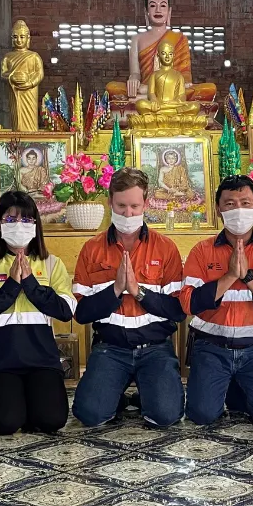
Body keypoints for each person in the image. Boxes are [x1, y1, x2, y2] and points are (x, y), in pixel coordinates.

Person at [72, 168, 186, 426]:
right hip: (110, 348)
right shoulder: (92, 249)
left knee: (166, 416)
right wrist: (115, 290)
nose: (128, 213)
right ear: (109, 201)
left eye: (135, 206)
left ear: (146, 203)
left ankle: (147, 393)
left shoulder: (165, 248)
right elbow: (81, 313)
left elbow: (177, 311)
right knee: (90, 415)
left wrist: (138, 292)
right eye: (121, 206)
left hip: (155, 348)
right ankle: (119, 396)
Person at [0, 191, 76, 434]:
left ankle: (30, 402)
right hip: (0, 362)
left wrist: (31, 284)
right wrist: (11, 286)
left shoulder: (51, 263)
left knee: (51, 420)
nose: (19, 226)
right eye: (10, 220)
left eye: (26, 219)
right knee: (6, 423)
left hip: (41, 360)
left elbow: (66, 310)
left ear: (35, 224)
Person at [180, 175, 253, 425]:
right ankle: (228, 386)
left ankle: (235, 387)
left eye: (245, 203)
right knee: (202, 416)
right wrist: (230, 275)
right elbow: (189, 303)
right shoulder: (201, 250)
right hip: (211, 347)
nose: (238, 210)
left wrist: (249, 278)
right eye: (229, 204)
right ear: (218, 209)